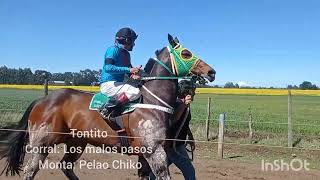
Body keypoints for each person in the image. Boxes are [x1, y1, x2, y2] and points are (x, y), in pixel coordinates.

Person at [138, 80, 196, 180]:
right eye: (192, 90)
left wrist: (190, 136)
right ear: (186, 92)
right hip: (174, 146)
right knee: (189, 171)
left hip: (174, 145)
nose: (194, 93)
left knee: (159, 170)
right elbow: (172, 120)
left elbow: (184, 123)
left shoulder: (184, 106)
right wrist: (184, 105)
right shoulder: (175, 104)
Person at [99, 27, 142, 117]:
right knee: (135, 92)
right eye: (132, 41)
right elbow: (108, 68)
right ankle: (108, 108)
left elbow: (130, 71)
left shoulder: (127, 54)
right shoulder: (112, 50)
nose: (134, 44)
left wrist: (135, 74)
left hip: (119, 84)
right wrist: (129, 70)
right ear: (126, 40)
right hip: (108, 85)